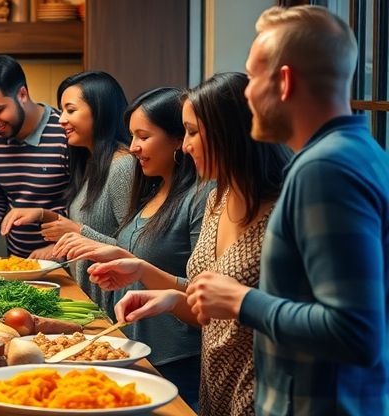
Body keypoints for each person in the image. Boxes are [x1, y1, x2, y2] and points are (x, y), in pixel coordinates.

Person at [183, 5, 389, 414]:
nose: (246, 92)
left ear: (285, 81)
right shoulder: (361, 153)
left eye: (254, 76)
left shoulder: (324, 170)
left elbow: (356, 332)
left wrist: (242, 300)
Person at [90, 72, 291, 415]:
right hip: (216, 391)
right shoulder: (217, 198)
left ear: (231, 133)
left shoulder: (283, 213)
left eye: (193, 132)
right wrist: (170, 298)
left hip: (263, 396)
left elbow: (298, 321)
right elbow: (210, 310)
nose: (184, 145)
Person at [51, 87, 208, 407]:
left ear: (179, 139)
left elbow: (201, 291)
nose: (133, 147)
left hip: (176, 357)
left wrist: (113, 253)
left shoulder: (199, 196)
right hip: (138, 348)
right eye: (132, 136)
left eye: (143, 136)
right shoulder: (152, 190)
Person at [0, 71, 135, 306]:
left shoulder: (122, 165)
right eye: (62, 110)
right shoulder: (90, 161)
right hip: (88, 300)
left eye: (70, 110)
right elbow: (95, 225)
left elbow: (133, 252)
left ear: (100, 112)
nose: (61, 119)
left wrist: (75, 231)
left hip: (112, 307)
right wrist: (46, 216)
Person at [0, 55, 70, 259]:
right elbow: (0, 203)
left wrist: (57, 249)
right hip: (16, 263)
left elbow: (85, 211)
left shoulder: (64, 133)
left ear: (22, 94)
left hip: (65, 264)